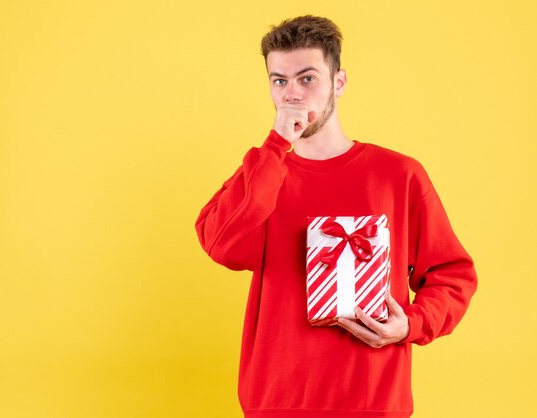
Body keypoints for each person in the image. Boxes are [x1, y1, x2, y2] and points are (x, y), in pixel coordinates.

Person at [195, 15, 477, 418]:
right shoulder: (263, 174)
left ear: (339, 82)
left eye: (307, 78)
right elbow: (220, 243)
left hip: (374, 400)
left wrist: (411, 324)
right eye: (279, 81)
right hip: (277, 402)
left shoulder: (399, 175)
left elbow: (454, 274)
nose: (292, 94)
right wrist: (276, 146)